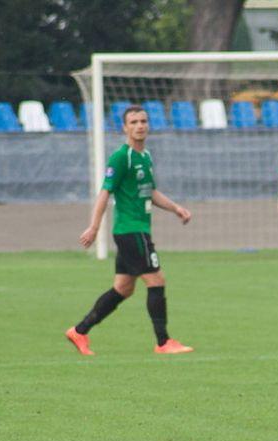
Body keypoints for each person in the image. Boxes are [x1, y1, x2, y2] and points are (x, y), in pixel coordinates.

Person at [65, 105, 193, 356]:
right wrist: (94, 227)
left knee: (123, 288)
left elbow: (150, 192)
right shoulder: (121, 157)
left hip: (137, 229)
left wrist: (175, 208)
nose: (140, 126)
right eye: (133, 122)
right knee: (156, 279)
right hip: (130, 231)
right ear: (125, 127)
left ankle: (79, 331)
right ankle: (163, 342)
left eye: (143, 121)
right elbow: (105, 192)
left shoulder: (146, 156)